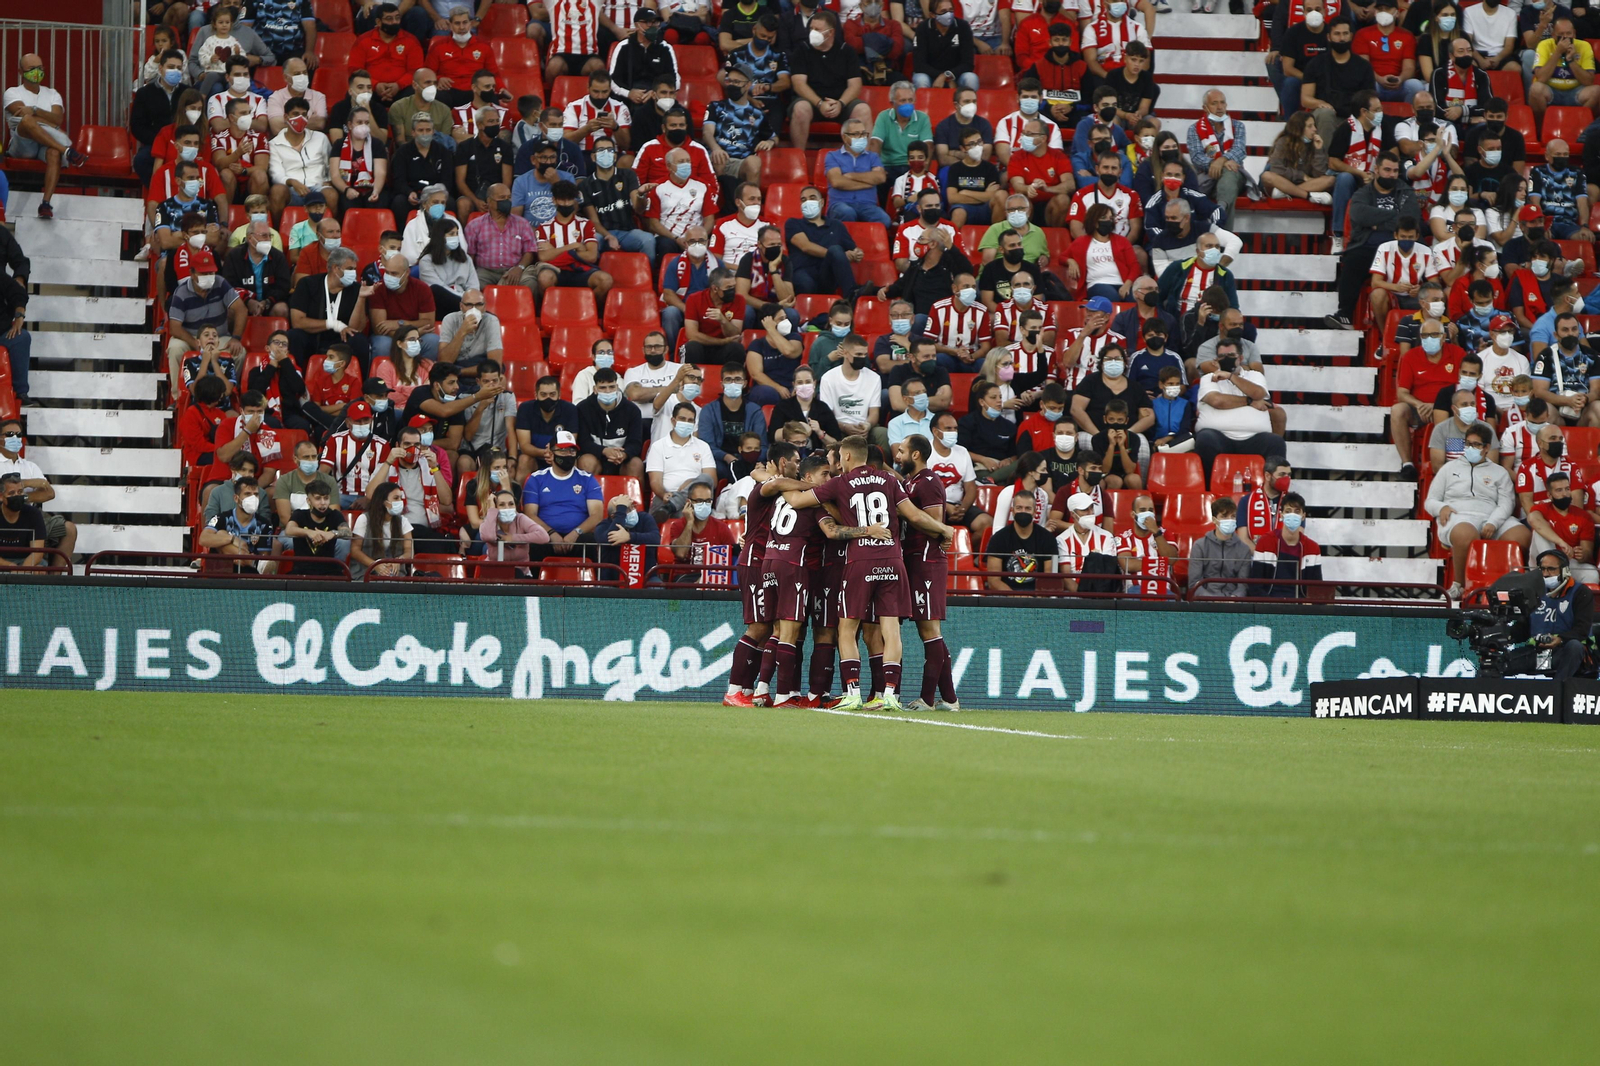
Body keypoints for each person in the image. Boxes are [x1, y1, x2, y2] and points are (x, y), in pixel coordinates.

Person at [783, 434, 955, 711]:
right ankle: (889, 695)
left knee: (847, 628)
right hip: (893, 560)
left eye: (839, 457)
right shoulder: (890, 481)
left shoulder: (840, 483)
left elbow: (797, 501)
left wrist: (776, 481)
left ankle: (852, 693)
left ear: (847, 456)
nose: (838, 462)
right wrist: (944, 529)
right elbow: (914, 515)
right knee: (890, 631)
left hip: (860, 561)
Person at [1425, 420, 1521, 598]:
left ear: (1486, 448)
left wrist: (1493, 522)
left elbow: (1507, 503)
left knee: (1522, 536)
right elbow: (1430, 500)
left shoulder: (1499, 472)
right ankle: (1459, 585)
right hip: (1458, 516)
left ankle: (1508, 588)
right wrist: (1441, 507)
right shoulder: (1448, 468)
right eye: (1468, 444)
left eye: (1476, 444)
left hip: (1492, 516)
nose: (1470, 447)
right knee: (1465, 535)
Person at [6, 53, 88, 219]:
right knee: (28, 121)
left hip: (45, 144)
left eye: (40, 68)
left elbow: (58, 118)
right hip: (23, 145)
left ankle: (45, 203)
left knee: (53, 153)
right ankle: (67, 151)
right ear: (21, 72)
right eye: (31, 69)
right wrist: (48, 122)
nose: (37, 72)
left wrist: (35, 110)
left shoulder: (52, 94)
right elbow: (24, 117)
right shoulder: (12, 92)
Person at [1194, 338, 1287, 478]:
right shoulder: (1208, 378)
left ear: (1241, 358)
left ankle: (1272, 495)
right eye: (1222, 357)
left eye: (1231, 356)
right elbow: (1217, 400)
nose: (1226, 359)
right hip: (1219, 437)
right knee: (1205, 439)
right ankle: (1209, 489)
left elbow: (1258, 393)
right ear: (1216, 360)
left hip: (1253, 438)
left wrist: (1231, 377)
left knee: (1276, 442)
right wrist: (1249, 401)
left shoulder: (1255, 375)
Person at [788, 9, 872, 154]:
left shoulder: (846, 51)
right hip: (811, 101)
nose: (812, 32)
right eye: (811, 29)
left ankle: (862, 159)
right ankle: (798, 158)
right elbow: (798, 83)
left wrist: (840, 103)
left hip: (840, 102)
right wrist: (819, 103)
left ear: (831, 32)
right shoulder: (801, 50)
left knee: (863, 110)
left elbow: (855, 85)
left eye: (818, 29)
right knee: (801, 109)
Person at [1186, 90, 1248, 225]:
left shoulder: (1238, 126)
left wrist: (1220, 161)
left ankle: (1220, 211)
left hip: (1236, 176)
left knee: (1230, 173)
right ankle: (1222, 211)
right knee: (1228, 182)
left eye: (1222, 103)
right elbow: (1196, 157)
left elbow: (1240, 151)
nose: (1220, 107)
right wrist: (1218, 163)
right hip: (1208, 178)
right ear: (1205, 108)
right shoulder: (1194, 129)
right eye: (1214, 103)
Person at [1247, 492, 1323, 598]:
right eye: (1288, 511)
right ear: (1281, 515)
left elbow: (1317, 589)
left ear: (1303, 516)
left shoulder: (1313, 548)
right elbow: (1255, 585)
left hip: (1300, 607)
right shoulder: (1265, 542)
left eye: (1297, 512)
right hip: (1269, 605)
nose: (1292, 515)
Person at [281, 481, 352, 575]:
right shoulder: (299, 514)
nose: (323, 503)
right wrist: (309, 532)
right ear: (309, 501)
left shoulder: (335, 515)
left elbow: (347, 533)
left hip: (328, 572)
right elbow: (289, 530)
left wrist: (332, 534)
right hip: (301, 571)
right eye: (318, 499)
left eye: (326, 498)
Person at [1188, 496, 1253, 597]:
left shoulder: (1243, 549)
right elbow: (1194, 583)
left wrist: (1234, 598)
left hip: (1233, 602)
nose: (1229, 520)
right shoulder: (1200, 546)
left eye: (1233, 516)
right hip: (1205, 601)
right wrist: (1212, 599)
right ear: (1214, 520)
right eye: (1224, 517)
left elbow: (1243, 585)